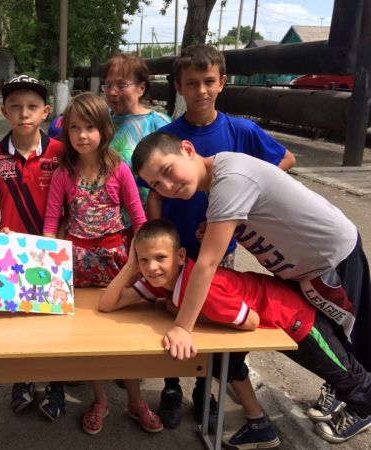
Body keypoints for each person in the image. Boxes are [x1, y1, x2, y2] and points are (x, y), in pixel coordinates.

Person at [132, 133, 371, 442]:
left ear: (187, 149)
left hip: (329, 259)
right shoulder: (217, 182)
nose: (166, 186)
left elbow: (206, 265)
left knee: (351, 334)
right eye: (156, 184)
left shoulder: (229, 179)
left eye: (167, 170)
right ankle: (343, 389)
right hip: (300, 267)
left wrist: (182, 327)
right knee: (332, 334)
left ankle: (363, 404)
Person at [105, 219, 371, 446]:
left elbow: (250, 321)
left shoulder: (203, 289)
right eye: (144, 260)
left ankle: (363, 409)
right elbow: (108, 304)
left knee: (342, 371)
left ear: (181, 256)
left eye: (160, 258)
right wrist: (130, 266)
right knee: (226, 364)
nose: (151, 267)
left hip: (293, 317)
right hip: (273, 315)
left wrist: (185, 314)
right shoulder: (164, 279)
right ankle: (259, 426)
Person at [146, 44, 296, 430]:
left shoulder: (240, 131)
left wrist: (245, 206)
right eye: (191, 83)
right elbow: (155, 194)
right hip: (176, 250)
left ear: (222, 82)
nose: (200, 90)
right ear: (178, 87)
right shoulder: (167, 137)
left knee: (211, 322)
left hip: (220, 250)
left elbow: (284, 160)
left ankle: (204, 389)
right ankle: (171, 387)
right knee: (175, 316)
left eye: (208, 81)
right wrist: (157, 238)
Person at [0, 74, 65, 420]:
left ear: (46, 111)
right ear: (4, 111)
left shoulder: (61, 152)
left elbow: (70, 199)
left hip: (54, 249)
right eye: (15, 107)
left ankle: (57, 384)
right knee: (18, 318)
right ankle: (23, 378)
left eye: (32, 106)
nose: (24, 113)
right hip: (13, 251)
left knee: (55, 320)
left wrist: (62, 237)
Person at [44, 92, 146, 287]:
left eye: (90, 127)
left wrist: (139, 261)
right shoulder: (62, 174)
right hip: (74, 262)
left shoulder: (120, 170)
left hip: (116, 260)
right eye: (74, 127)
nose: (82, 135)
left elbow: (139, 220)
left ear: (104, 129)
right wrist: (48, 267)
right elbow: (50, 225)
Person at [102, 53, 171, 204]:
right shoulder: (99, 122)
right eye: (108, 85)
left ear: (141, 88)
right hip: (105, 212)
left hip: (148, 211)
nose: (112, 92)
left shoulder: (158, 123)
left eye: (121, 85)